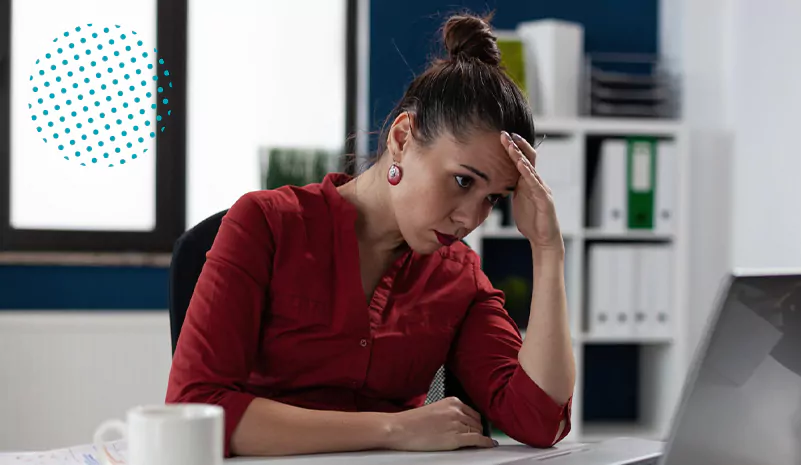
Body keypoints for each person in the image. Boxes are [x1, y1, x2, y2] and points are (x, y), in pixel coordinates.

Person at [166, 12, 576, 457]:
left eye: (494, 198)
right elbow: (196, 409)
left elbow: (541, 421)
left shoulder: (459, 277)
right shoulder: (266, 224)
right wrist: (393, 429)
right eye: (463, 181)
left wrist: (547, 249)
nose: (470, 218)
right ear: (402, 138)